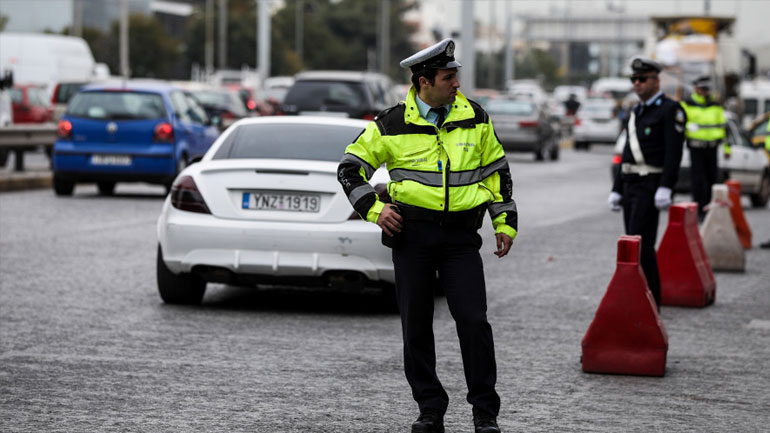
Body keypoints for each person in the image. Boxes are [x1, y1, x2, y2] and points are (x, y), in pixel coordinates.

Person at [337, 38, 516, 433]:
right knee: (416, 326)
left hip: (460, 240)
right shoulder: (391, 123)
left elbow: (497, 175)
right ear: (423, 82)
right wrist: (375, 209)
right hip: (412, 237)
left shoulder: (477, 117)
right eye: (448, 77)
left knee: (474, 322)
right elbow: (350, 169)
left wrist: (504, 224)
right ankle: (430, 409)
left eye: (455, 76)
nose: (456, 84)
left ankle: (484, 412)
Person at [608, 57, 685, 308]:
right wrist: (617, 188)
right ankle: (636, 298)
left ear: (656, 81)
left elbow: (673, 154)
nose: (637, 84)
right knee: (632, 242)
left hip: (650, 184)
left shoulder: (670, 110)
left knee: (643, 246)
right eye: (634, 79)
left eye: (643, 79)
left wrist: (666, 186)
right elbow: (627, 152)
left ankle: (652, 302)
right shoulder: (636, 111)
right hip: (630, 184)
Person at [680, 76, 729, 220]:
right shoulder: (687, 105)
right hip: (696, 147)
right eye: (702, 89)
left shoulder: (715, 106)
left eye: (707, 89)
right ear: (696, 89)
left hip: (712, 148)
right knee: (698, 180)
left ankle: (709, 209)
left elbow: (723, 129)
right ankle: (698, 210)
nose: (704, 92)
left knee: (711, 179)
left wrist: (727, 149)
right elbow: (680, 126)